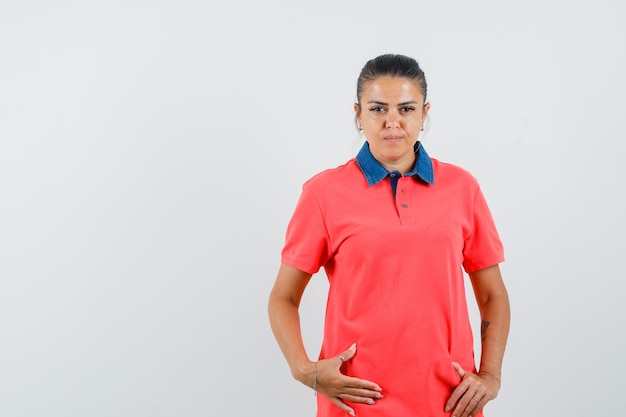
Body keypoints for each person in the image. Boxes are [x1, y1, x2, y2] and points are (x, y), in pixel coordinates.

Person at [268, 54, 510, 417]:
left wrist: (490, 375)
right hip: (355, 401)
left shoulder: (462, 188)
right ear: (358, 113)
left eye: (407, 109)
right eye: (378, 108)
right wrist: (305, 370)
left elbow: (492, 293)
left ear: (425, 113)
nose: (392, 122)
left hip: (449, 401)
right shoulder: (323, 193)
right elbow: (283, 297)